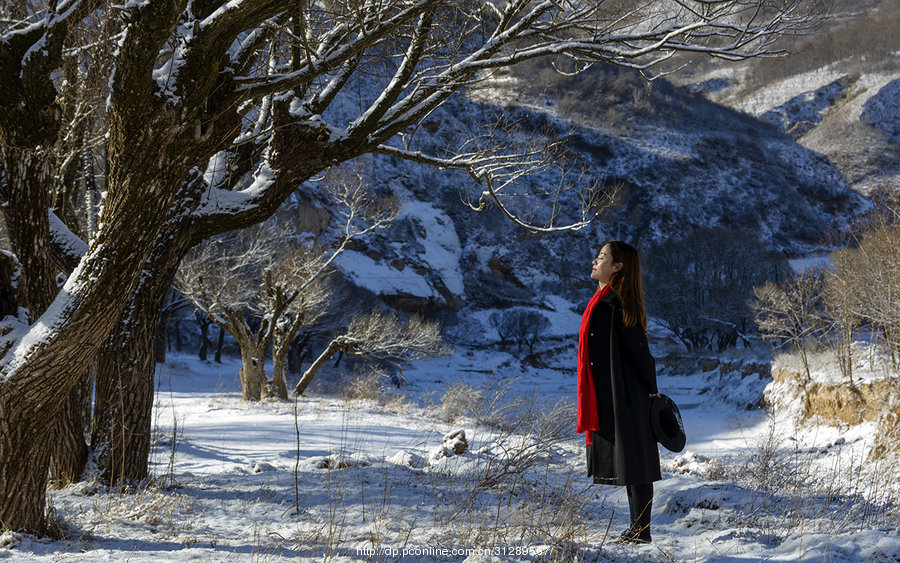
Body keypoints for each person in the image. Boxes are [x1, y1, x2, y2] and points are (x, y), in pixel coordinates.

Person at [576, 240, 661, 543]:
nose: (594, 261)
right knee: (630, 461)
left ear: (617, 267)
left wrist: (651, 392)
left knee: (636, 462)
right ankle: (637, 530)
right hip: (612, 392)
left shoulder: (619, 303)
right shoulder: (602, 300)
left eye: (601, 257)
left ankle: (641, 531)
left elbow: (639, 351)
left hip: (626, 393)